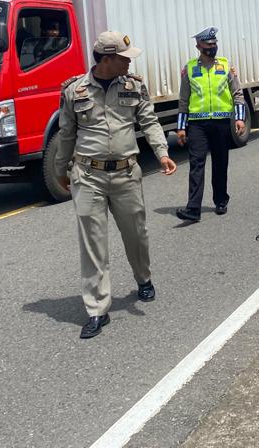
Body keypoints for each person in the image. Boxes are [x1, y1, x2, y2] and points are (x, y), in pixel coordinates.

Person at [56, 31, 178, 339]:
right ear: (107, 59)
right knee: (93, 244)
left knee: (136, 233)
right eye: (124, 57)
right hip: (88, 175)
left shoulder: (134, 85)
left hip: (126, 174)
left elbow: (148, 121)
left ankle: (143, 278)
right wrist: (61, 169)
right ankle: (97, 308)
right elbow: (67, 133)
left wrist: (162, 153)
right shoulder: (74, 90)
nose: (129, 61)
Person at [175, 27, 246, 222]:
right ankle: (193, 208)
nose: (212, 47)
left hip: (222, 122)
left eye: (214, 44)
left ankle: (221, 200)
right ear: (199, 46)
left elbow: (237, 94)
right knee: (196, 164)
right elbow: (183, 100)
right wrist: (181, 128)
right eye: (208, 45)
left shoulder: (225, 66)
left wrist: (239, 118)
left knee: (220, 162)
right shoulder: (189, 68)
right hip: (197, 124)